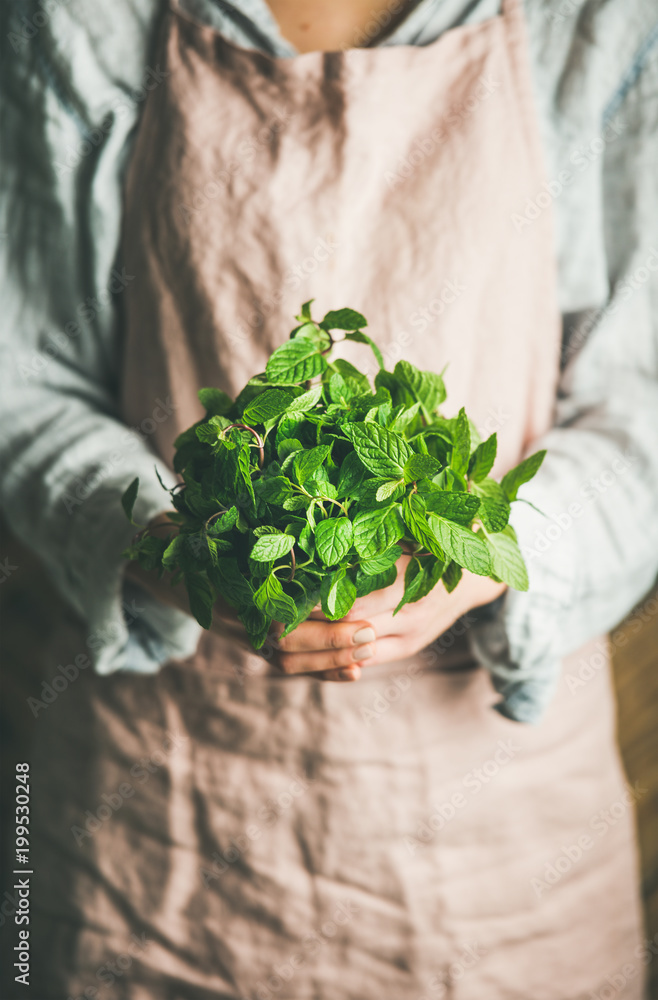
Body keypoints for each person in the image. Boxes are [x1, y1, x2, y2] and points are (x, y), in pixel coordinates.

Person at [1, 0, 657, 996]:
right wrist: (177, 547)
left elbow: (641, 415)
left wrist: (485, 550)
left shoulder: (605, 17)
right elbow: (22, 384)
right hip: (157, 839)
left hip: (502, 862)